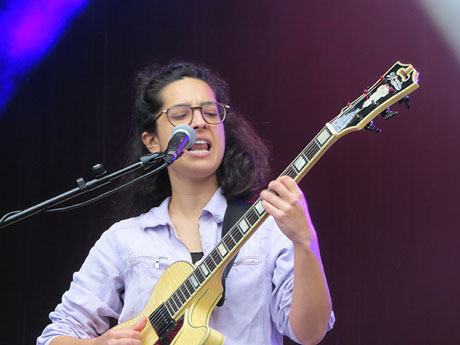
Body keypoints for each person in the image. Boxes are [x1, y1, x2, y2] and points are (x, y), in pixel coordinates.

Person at [37, 61, 334, 345]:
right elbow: (54, 336)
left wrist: (305, 242)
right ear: (152, 141)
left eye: (210, 112)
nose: (199, 122)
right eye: (180, 115)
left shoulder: (268, 226)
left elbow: (309, 333)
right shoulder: (123, 239)